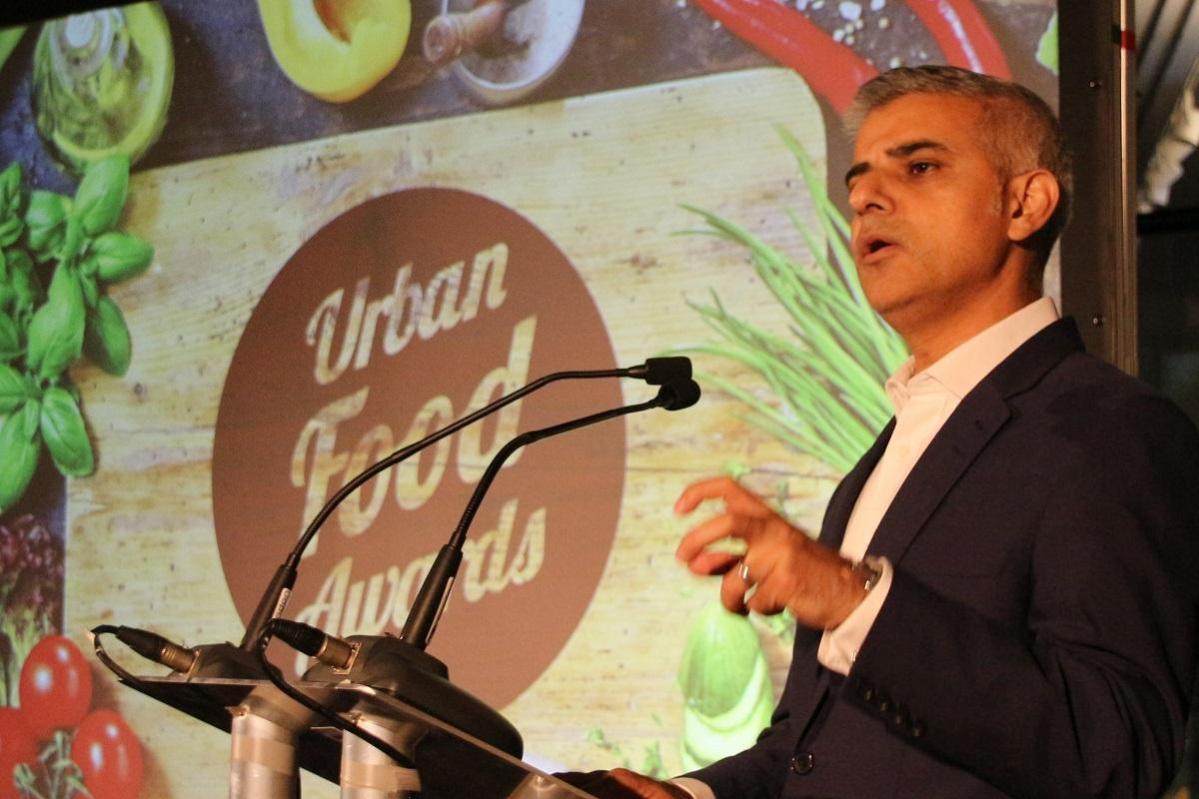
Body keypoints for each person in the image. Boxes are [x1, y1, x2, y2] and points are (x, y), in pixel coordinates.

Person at [559, 65, 1199, 798]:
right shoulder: (880, 462)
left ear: (1024, 203)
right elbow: (812, 749)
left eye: (919, 167)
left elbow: (1113, 750)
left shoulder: (1110, 431)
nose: (864, 197)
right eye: (856, 181)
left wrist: (853, 596)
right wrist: (693, 795)